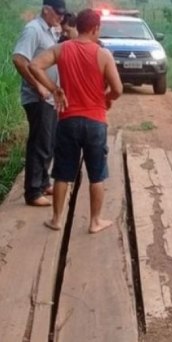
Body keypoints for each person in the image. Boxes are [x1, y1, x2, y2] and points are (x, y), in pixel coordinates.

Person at [29, 8, 123, 233]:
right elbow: (118, 89)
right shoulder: (103, 54)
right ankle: (95, 222)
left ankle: (56, 220)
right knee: (96, 175)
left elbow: (34, 65)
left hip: (68, 120)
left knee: (62, 173)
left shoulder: (61, 49)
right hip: (95, 122)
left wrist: (54, 89)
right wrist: (106, 99)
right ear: (95, 29)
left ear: (78, 26)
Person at [12, 0, 66, 206]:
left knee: (49, 141)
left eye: (63, 14)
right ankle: (33, 192)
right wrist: (38, 86)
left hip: (51, 98)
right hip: (38, 98)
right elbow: (19, 59)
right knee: (39, 143)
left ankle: (43, 183)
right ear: (46, 10)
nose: (60, 17)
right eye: (57, 13)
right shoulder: (33, 30)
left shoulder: (51, 30)